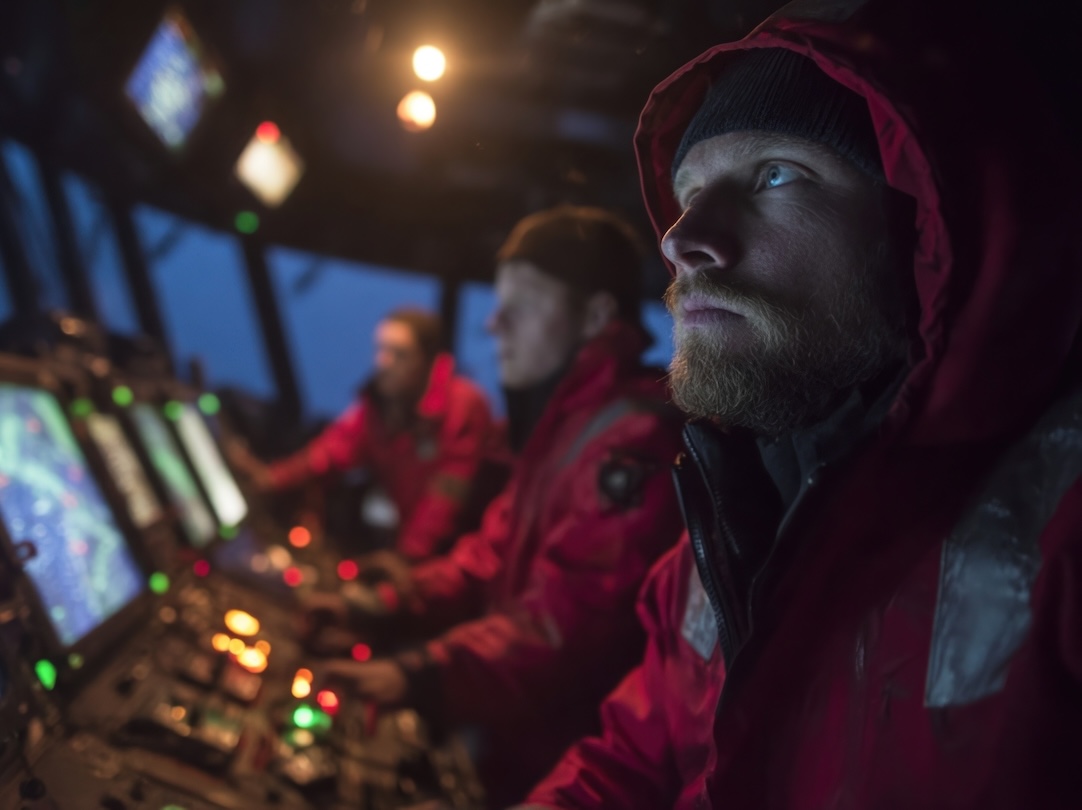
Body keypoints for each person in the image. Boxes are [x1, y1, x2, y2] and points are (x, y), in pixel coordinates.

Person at [521, 1, 1082, 808]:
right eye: (688, 192)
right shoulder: (736, 506)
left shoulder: (1061, 522)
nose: (681, 238)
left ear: (925, 225)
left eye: (776, 174)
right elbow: (636, 761)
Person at [313, 206, 686, 807]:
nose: (494, 323)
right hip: (509, 744)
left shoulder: (633, 444)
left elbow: (560, 629)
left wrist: (420, 673)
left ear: (595, 317)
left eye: (525, 303)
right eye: (498, 301)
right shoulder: (565, 429)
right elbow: (488, 555)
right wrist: (381, 605)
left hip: (557, 771)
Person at [231, 308, 495, 561]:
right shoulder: (379, 407)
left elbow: (443, 503)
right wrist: (270, 478)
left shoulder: (463, 408)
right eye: (381, 349)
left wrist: (406, 561)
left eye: (400, 354)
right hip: (411, 553)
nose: (383, 361)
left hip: (457, 556)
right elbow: (332, 450)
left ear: (428, 361)